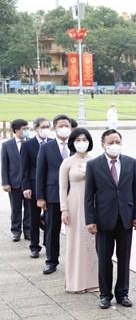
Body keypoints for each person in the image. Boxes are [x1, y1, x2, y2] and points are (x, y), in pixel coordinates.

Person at [84, 129, 136, 309]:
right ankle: (105, 294)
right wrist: (90, 220)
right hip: (103, 219)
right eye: (110, 143)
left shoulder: (130, 163)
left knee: (124, 258)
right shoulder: (94, 165)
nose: (114, 145)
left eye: (117, 142)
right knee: (104, 258)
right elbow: (89, 195)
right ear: (103, 145)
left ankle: (122, 293)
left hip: (125, 217)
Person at [59, 128, 98, 293]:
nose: (82, 143)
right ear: (72, 143)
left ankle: (93, 280)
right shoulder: (67, 162)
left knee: (92, 241)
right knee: (75, 242)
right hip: (74, 203)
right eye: (78, 140)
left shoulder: (96, 161)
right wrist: (64, 209)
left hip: (93, 204)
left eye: (85, 139)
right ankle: (75, 282)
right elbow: (62, 187)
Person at [36, 114, 73, 274]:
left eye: (67, 125)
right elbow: (40, 173)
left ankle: (75, 261)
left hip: (74, 195)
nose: (64, 128)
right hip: (52, 195)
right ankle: (51, 260)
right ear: (55, 128)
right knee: (52, 229)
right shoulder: (46, 147)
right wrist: (40, 197)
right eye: (61, 126)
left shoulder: (76, 145)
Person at [21, 117, 51, 258]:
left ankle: (48, 243)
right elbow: (24, 168)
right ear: (36, 128)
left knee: (49, 218)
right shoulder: (28, 145)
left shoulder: (52, 143)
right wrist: (26, 186)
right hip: (33, 186)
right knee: (34, 218)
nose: (45, 129)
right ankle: (34, 246)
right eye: (43, 127)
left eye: (47, 126)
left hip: (50, 187)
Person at [2, 119, 30, 242]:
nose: (27, 131)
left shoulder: (31, 143)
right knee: (16, 208)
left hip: (29, 182)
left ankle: (28, 231)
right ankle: (16, 230)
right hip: (14, 183)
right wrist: (5, 182)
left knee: (29, 208)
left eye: (27, 128)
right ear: (16, 131)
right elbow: (4, 165)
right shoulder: (7, 145)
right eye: (24, 128)